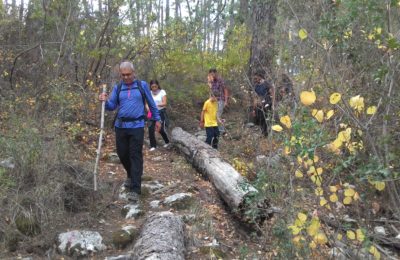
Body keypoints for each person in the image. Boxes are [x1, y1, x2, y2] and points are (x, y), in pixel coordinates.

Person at [99, 61, 161, 202]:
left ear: (133, 73)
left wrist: (157, 120)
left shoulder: (142, 85)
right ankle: (130, 174)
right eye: (123, 75)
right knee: (122, 154)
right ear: (120, 74)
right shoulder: (118, 87)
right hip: (120, 126)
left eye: (128, 74)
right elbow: (111, 106)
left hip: (137, 126)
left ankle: (135, 189)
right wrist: (104, 101)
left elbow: (151, 104)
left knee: (135, 155)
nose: (126, 77)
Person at [147, 80, 170, 151]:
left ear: (158, 85)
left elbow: (164, 103)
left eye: (155, 86)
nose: (154, 88)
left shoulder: (162, 92)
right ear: (150, 86)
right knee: (150, 128)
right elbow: (146, 103)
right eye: (152, 86)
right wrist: (148, 108)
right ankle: (153, 145)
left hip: (160, 112)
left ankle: (167, 141)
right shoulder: (149, 93)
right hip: (151, 112)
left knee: (160, 129)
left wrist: (155, 105)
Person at [251, 70, 274, 136]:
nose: (255, 80)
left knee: (266, 119)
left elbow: (272, 93)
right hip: (259, 106)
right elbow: (255, 98)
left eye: (256, 78)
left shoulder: (266, 84)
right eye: (254, 78)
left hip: (267, 104)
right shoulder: (256, 86)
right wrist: (254, 109)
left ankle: (266, 134)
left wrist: (272, 104)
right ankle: (263, 133)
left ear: (260, 77)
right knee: (259, 119)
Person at [207, 68, 228, 132]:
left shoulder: (220, 80)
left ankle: (221, 130)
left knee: (217, 115)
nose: (212, 75)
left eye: (213, 73)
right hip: (213, 101)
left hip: (220, 100)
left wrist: (226, 101)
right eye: (210, 74)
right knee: (214, 115)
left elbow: (225, 90)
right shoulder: (211, 81)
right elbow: (210, 91)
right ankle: (217, 129)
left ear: (216, 73)